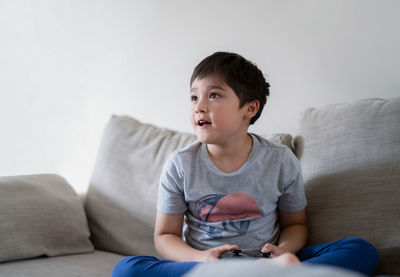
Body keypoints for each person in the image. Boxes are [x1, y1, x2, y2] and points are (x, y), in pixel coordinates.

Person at [112, 52, 378, 277]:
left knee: (360, 249)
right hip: (205, 267)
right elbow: (165, 236)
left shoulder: (280, 159)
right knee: (126, 269)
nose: (199, 107)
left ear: (249, 109)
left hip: (266, 262)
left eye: (213, 96)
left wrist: (283, 250)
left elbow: (296, 225)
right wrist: (202, 258)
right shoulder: (180, 164)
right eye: (194, 97)